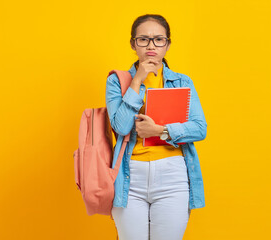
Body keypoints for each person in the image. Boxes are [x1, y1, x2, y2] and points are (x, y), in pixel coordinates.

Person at [105, 14, 207, 240]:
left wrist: (160, 131)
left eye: (158, 39)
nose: (151, 45)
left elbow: (200, 128)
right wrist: (137, 81)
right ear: (133, 44)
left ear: (167, 44)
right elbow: (121, 127)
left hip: (173, 175)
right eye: (143, 39)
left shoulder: (182, 82)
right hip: (130, 177)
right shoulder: (117, 81)